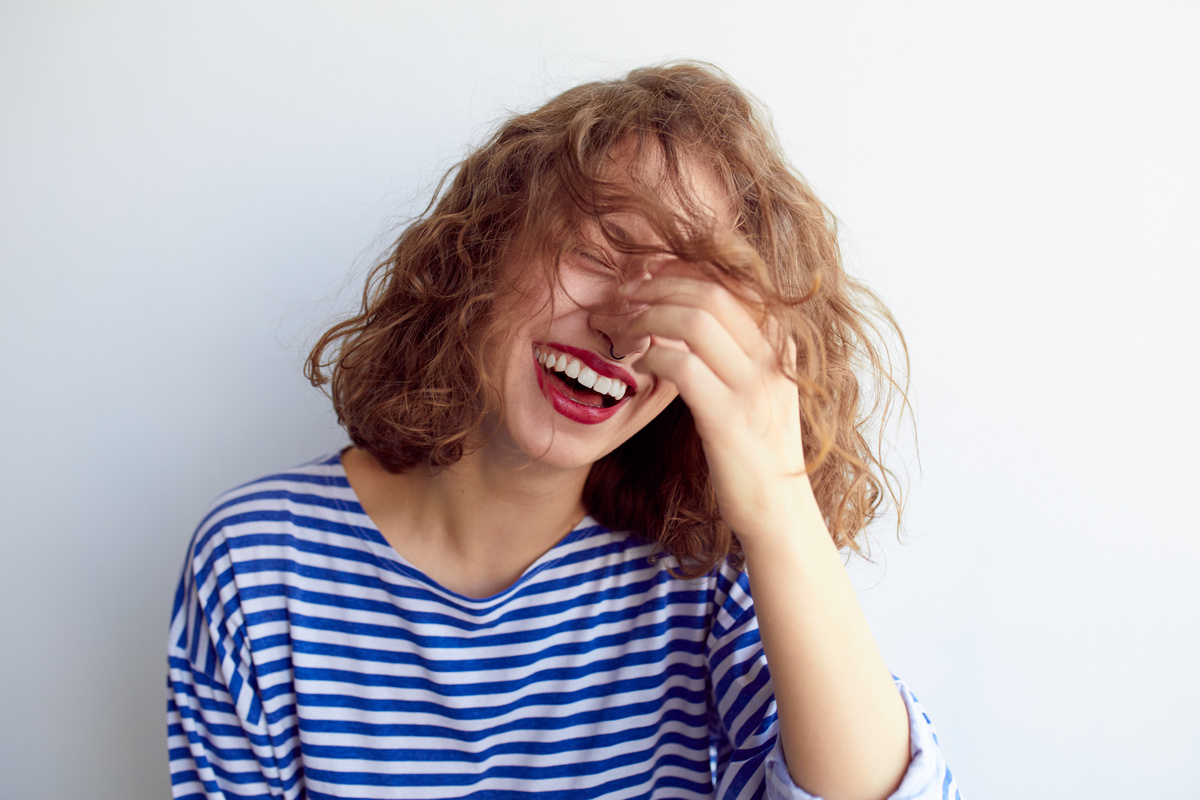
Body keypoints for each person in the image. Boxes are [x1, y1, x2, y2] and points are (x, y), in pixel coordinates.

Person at [167, 63, 960, 800]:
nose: (624, 329)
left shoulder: (706, 581)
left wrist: (782, 506)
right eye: (601, 248)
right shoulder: (256, 563)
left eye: (687, 294)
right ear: (484, 248)